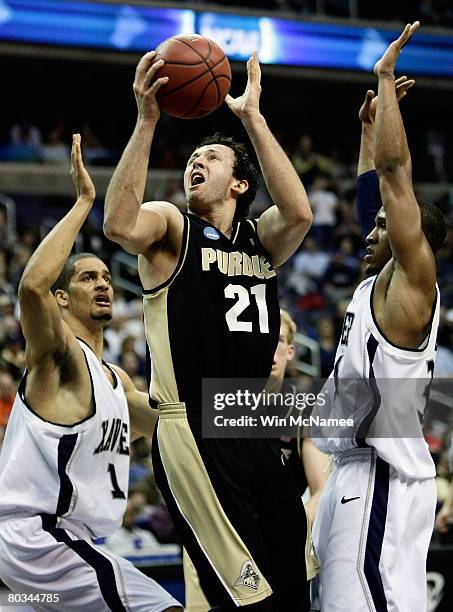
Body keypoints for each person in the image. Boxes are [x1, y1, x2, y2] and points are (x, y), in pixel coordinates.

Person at [104, 50, 313, 610]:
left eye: (211, 157)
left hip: (250, 421)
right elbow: (120, 224)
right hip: (193, 425)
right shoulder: (174, 229)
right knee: (246, 599)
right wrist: (147, 121)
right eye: (193, 156)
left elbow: (299, 214)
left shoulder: (260, 238)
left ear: (240, 185)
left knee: (293, 583)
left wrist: (252, 119)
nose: (196, 161)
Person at [0, 134, 181, 612]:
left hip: (41, 565)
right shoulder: (61, 357)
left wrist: (278, 409)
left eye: (105, 276)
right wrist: (85, 202)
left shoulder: (116, 381)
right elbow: (33, 287)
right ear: (63, 299)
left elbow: (173, 422)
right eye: (87, 277)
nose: (102, 283)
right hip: (41, 540)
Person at [311, 22, 447, 611]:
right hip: (355, 473)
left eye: (384, 227)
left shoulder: (411, 290)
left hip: (381, 479)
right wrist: (367, 132)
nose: (367, 231)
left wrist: (386, 80)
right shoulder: (377, 279)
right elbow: (376, 193)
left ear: (411, 238)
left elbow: (393, 181)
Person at [182, 309, 330, 611]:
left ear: (290, 352)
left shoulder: (305, 410)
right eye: (261, 339)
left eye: (278, 341)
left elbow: (321, 489)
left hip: (282, 540)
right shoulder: (219, 406)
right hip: (222, 537)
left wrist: (289, 529)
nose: (269, 349)